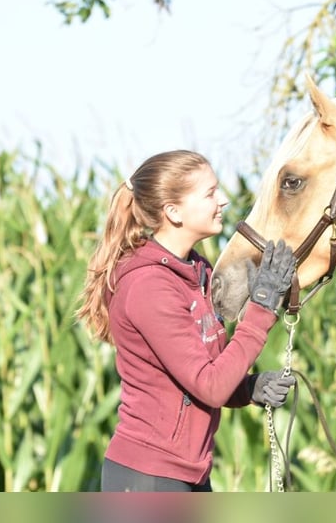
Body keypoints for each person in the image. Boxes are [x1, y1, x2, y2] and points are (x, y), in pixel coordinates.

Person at [76, 149, 297, 492]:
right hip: (147, 478)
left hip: (189, 474)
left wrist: (248, 389)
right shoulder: (149, 287)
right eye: (209, 193)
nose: (222, 201)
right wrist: (262, 307)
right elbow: (210, 385)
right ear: (173, 212)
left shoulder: (198, 273)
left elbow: (201, 377)